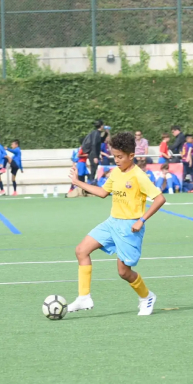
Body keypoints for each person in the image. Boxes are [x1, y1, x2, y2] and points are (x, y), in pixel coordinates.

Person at [67, 132, 166, 316]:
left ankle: (147, 297)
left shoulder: (139, 176)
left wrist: (141, 220)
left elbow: (160, 199)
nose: (117, 160)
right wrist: (77, 182)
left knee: (123, 272)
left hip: (129, 227)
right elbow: (103, 192)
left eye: (120, 157)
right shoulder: (115, 173)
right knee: (81, 250)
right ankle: (84, 297)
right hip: (111, 223)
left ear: (131, 156)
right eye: (115, 156)